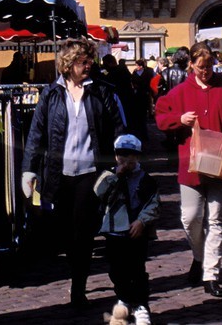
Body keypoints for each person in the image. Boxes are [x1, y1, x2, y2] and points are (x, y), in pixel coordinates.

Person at [22, 38, 126, 307]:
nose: (88, 65)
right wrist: (28, 170)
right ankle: (75, 271)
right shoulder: (51, 93)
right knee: (64, 232)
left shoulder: (101, 91)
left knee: (83, 232)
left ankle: (78, 285)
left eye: (90, 61)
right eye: (83, 61)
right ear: (68, 65)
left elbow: (118, 128)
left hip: (90, 173)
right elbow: (36, 134)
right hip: (59, 173)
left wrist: (121, 158)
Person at [155, 41, 222, 298]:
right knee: (190, 218)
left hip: (221, 163)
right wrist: (180, 120)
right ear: (191, 65)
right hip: (191, 165)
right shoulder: (180, 92)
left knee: (216, 219)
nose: (205, 71)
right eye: (200, 67)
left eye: (209, 65)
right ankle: (199, 257)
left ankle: (211, 274)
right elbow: (160, 116)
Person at [96, 133, 159, 325]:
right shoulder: (109, 175)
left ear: (138, 157)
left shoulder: (146, 179)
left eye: (130, 154)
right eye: (121, 154)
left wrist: (142, 221)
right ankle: (123, 299)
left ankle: (141, 305)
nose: (125, 159)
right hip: (115, 232)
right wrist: (117, 176)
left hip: (136, 233)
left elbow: (153, 203)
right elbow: (99, 193)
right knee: (117, 270)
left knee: (137, 270)